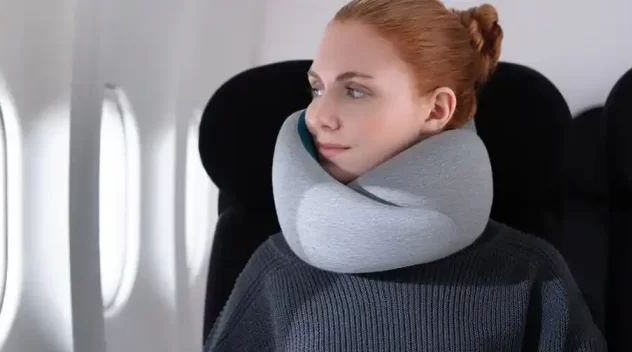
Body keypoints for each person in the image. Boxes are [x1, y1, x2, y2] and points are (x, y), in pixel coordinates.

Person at [205, 0, 606, 351]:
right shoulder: (276, 267)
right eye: (316, 88)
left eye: (356, 91)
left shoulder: (530, 273)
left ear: (436, 111)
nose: (316, 116)